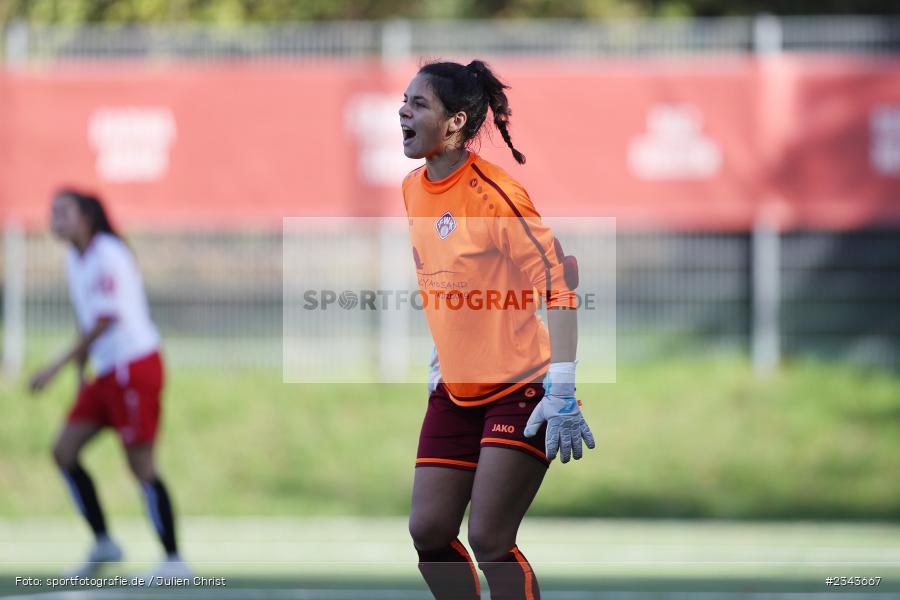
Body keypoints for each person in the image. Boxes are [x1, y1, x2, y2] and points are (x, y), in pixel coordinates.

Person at [400, 60, 596, 600]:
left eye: (419, 104)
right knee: (429, 531)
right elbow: (450, 280)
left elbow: (559, 285)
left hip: (521, 389)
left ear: (455, 122)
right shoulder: (412, 188)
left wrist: (562, 388)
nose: (404, 112)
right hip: (456, 391)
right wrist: (443, 356)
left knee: (489, 538)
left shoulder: (497, 196)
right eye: (404, 102)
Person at [29, 189, 188, 578]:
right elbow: (87, 320)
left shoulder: (108, 254)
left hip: (133, 366)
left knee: (141, 465)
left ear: (86, 217)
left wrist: (55, 367)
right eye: (53, 213)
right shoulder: (75, 259)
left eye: (63, 212)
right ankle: (104, 542)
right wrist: (81, 372)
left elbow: (105, 320)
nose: (55, 220)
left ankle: (173, 559)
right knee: (64, 451)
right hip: (106, 373)